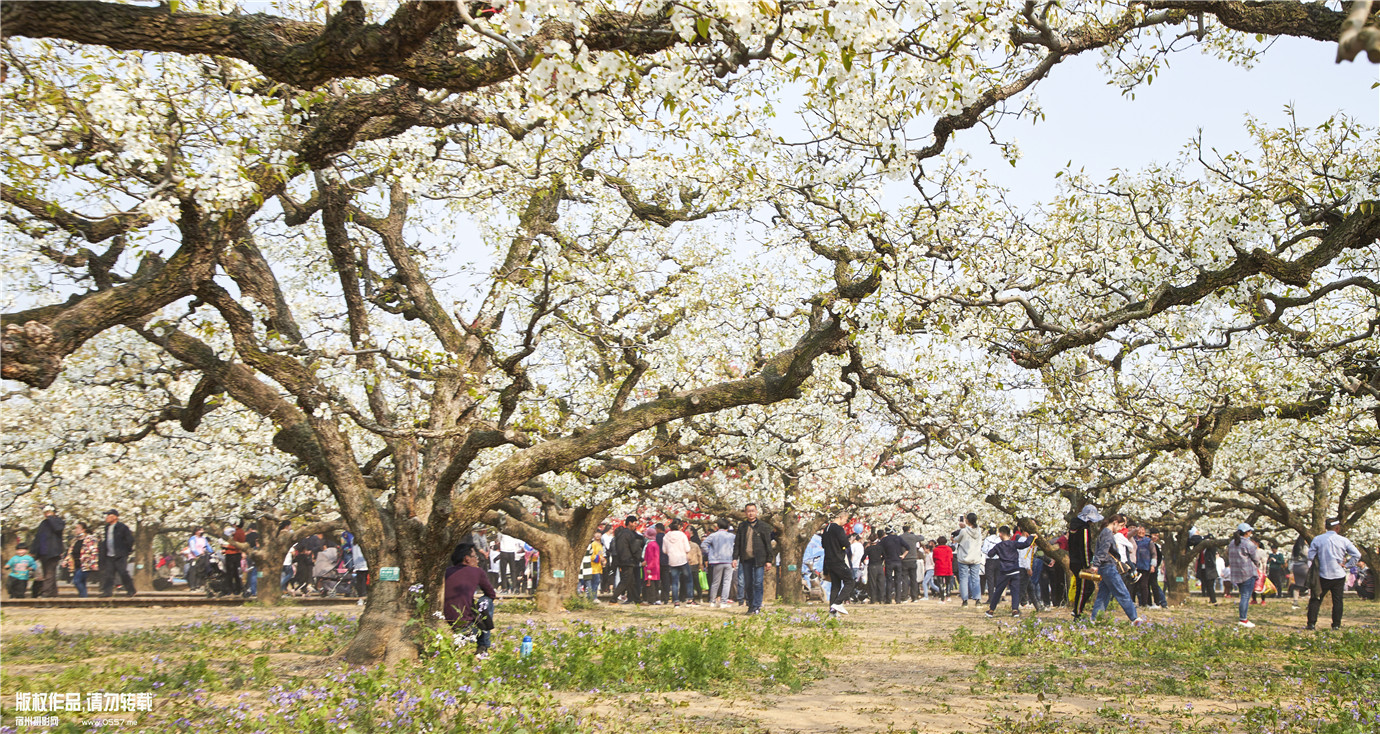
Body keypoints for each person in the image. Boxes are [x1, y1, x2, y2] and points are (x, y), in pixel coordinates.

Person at [1306, 518, 1363, 630]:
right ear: (1337, 528)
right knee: (1338, 601)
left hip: (1322, 574)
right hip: (1338, 574)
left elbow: (1310, 557)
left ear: (1326, 527)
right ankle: (1336, 625)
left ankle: (1311, 623)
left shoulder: (1317, 539)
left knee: (1316, 598)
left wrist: (1313, 569)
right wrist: (1347, 565)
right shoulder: (1343, 540)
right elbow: (1357, 554)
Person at [443, 542, 497, 655]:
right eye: (475, 557)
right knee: (485, 601)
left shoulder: (446, 572)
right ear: (467, 559)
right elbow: (491, 594)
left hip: (443, 627)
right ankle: (483, 645)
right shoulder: (477, 572)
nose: (477, 560)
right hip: (465, 631)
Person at [1089, 514, 1144, 625]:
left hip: (1104, 567)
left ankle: (1094, 619)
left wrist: (1097, 564)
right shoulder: (1108, 533)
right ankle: (1134, 618)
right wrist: (1096, 564)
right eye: (1120, 526)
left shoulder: (1104, 532)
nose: (1120, 529)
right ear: (1115, 522)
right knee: (1122, 592)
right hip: (1109, 566)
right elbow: (1103, 550)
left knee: (1103, 594)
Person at [732, 503, 774, 615]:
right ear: (745, 513)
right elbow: (737, 543)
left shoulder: (763, 526)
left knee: (758, 583)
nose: (751, 513)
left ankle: (757, 606)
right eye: (748, 511)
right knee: (748, 583)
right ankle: (750, 605)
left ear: (756, 512)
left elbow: (768, 544)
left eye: (753, 511)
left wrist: (769, 560)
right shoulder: (742, 526)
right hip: (746, 559)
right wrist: (735, 558)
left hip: (759, 559)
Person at [985, 526, 1035, 618]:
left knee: (998, 591)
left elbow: (990, 554)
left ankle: (991, 610)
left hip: (1004, 572)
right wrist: (1032, 536)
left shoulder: (999, 546)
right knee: (1015, 591)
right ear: (1009, 534)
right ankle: (1015, 610)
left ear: (1000, 534)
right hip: (1015, 570)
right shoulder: (1013, 544)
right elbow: (1026, 544)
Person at [1068, 505, 1100, 617]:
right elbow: (1085, 548)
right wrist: (1087, 565)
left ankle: (1077, 609)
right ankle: (1077, 613)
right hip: (1081, 563)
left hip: (1074, 560)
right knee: (1084, 588)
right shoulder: (1084, 529)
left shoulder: (1073, 527)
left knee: (1086, 587)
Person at [1226, 523, 1260, 628]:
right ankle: (1243, 619)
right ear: (1246, 532)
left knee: (1243, 595)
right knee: (1245, 596)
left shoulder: (1232, 543)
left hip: (1236, 573)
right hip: (1248, 572)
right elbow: (1256, 558)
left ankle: (1243, 618)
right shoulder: (1248, 544)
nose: (1251, 533)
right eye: (1250, 531)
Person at [822, 509, 854, 615]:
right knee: (850, 581)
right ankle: (838, 602)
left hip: (828, 560)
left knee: (836, 586)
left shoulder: (826, 529)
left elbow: (823, 544)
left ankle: (832, 611)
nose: (846, 522)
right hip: (838, 560)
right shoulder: (838, 529)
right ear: (840, 517)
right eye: (845, 519)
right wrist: (845, 545)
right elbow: (845, 543)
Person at [98, 509, 135, 597]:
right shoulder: (107, 527)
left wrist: (125, 550)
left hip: (120, 555)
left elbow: (130, 540)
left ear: (115, 517)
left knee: (123, 572)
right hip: (110, 555)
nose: (106, 518)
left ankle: (131, 590)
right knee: (109, 574)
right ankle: (107, 592)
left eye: (108, 515)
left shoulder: (122, 527)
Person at [30, 505, 65, 598]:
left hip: (53, 552)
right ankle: (53, 593)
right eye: (45, 512)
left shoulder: (58, 521)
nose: (46, 514)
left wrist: (51, 517)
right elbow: (38, 537)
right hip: (43, 552)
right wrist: (33, 550)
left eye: (48, 512)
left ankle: (46, 592)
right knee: (48, 573)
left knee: (49, 573)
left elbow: (58, 528)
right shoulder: (43, 523)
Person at [702, 518, 736, 608]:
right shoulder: (731, 536)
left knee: (715, 582)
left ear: (717, 526)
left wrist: (710, 553)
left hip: (717, 561)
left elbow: (703, 544)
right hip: (728, 560)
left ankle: (712, 601)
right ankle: (723, 602)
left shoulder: (713, 535)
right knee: (726, 582)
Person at [611, 516, 643, 605]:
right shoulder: (629, 534)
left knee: (631, 582)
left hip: (622, 560)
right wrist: (640, 558)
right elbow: (634, 548)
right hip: (628, 560)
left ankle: (637, 600)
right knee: (625, 580)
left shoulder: (620, 534)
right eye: (635, 523)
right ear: (630, 523)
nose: (635, 525)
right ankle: (613, 599)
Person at [62, 522, 100, 598]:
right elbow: (70, 552)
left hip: (85, 564)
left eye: (78, 528)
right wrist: (65, 561)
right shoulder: (75, 540)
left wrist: (94, 563)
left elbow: (94, 551)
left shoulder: (90, 539)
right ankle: (84, 598)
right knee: (82, 582)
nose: (76, 530)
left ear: (83, 530)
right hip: (76, 564)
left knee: (77, 581)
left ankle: (84, 598)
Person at [954, 513, 983, 607]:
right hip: (975, 558)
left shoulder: (963, 531)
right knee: (975, 579)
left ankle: (965, 600)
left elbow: (957, 539)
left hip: (963, 558)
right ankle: (978, 599)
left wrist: (962, 528)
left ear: (967, 520)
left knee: (963, 579)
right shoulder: (978, 531)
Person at [662, 519, 692, 607]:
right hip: (682, 559)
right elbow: (687, 549)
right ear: (679, 526)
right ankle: (690, 599)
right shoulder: (682, 535)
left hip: (672, 560)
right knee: (688, 579)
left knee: (675, 581)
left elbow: (664, 550)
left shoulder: (666, 536)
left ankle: (676, 601)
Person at [879, 528, 908, 604]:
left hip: (889, 561)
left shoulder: (884, 540)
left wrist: (883, 555)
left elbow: (879, 548)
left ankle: (888, 600)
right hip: (898, 561)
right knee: (898, 581)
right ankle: (898, 599)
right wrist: (903, 555)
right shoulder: (898, 538)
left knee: (889, 581)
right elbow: (908, 547)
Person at [899, 524, 923, 603]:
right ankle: (914, 597)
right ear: (909, 529)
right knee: (913, 579)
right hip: (913, 559)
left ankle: (904, 597)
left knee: (905, 579)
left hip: (904, 559)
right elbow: (922, 538)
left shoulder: (900, 537)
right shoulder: (913, 537)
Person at [222, 524, 247, 596]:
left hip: (233, 554)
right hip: (233, 553)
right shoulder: (239, 532)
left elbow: (238, 544)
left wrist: (227, 546)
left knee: (232, 573)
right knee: (235, 573)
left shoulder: (238, 532)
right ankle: (236, 589)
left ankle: (233, 589)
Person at [580, 531, 604, 602]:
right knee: (594, 582)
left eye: (599, 533)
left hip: (598, 567)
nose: (597, 535)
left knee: (596, 582)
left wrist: (603, 560)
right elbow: (591, 556)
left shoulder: (600, 544)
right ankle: (593, 597)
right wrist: (599, 558)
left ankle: (593, 597)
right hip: (593, 567)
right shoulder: (593, 544)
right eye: (596, 533)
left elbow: (600, 554)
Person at [1195, 538, 1220, 605]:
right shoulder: (1201, 549)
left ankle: (1213, 600)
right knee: (1205, 584)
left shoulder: (1211, 549)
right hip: (1203, 569)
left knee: (1210, 585)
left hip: (1210, 569)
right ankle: (1210, 599)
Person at [863, 531, 886, 603]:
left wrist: (864, 563)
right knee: (881, 583)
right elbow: (885, 556)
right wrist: (881, 560)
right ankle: (881, 599)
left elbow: (863, 558)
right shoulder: (880, 547)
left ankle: (873, 599)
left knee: (872, 583)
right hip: (879, 566)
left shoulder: (868, 549)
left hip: (872, 566)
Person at [187, 527, 212, 591]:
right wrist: (197, 554)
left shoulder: (204, 539)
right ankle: (192, 586)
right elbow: (192, 548)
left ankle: (198, 585)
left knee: (201, 571)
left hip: (202, 557)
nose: (202, 531)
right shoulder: (193, 538)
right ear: (196, 531)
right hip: (194, 557)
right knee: (193, 571)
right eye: (200, 530)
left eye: (202, 530)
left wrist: (212, 552)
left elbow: (208, 547)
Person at [1289, 536, 1311, 609]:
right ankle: (1310, 603)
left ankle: (1295, 602)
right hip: (1304, 567)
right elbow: (1309, 557)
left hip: (1296, 567)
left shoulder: (1295, 548)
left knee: (1297, 585)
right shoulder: (1305, 548)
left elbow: (1292, 559)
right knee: (1310, 584)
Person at [642, 527, 662, 605]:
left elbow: (650, 557)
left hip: (650, 567)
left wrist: (649, 567)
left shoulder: (650, 545)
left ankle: (651, 599)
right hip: (656, 567)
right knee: (656, 584)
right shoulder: (656, 544)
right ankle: (657, 599)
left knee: (650, 584)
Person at [931, 536, 954, 602]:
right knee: (948, 583)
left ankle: (942, 598)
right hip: (948, 567)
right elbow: (951, 558)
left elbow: (934, 559)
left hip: (939, 567)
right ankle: (948, 596)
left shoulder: (935, 549)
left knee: (940, 583)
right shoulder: (949, 549)